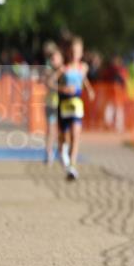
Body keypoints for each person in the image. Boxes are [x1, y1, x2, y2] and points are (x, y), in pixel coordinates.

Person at [53, 36, 95, 181]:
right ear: (68, 52)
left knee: (75, 135)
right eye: (72, 51)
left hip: (76, 104)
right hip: (64, 104)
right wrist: (62, 89)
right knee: (64, 137)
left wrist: (89, 90)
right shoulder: (63, 69)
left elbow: (83, 79)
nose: (74, 54)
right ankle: (62, 151)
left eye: (77, 51)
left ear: (81, 53)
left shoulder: (83, 68)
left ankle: (72, 166)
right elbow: (49, 82)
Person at [41, 41, 64, 164]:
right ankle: (49, 153)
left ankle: (61, 152)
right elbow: (48, 83)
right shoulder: (49, 69)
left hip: (62, 104)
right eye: (52, 58)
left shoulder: (65, 69)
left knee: (61, 130)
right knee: (51, 130)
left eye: (56, 58)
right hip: (51, 104)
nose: (54, 60)